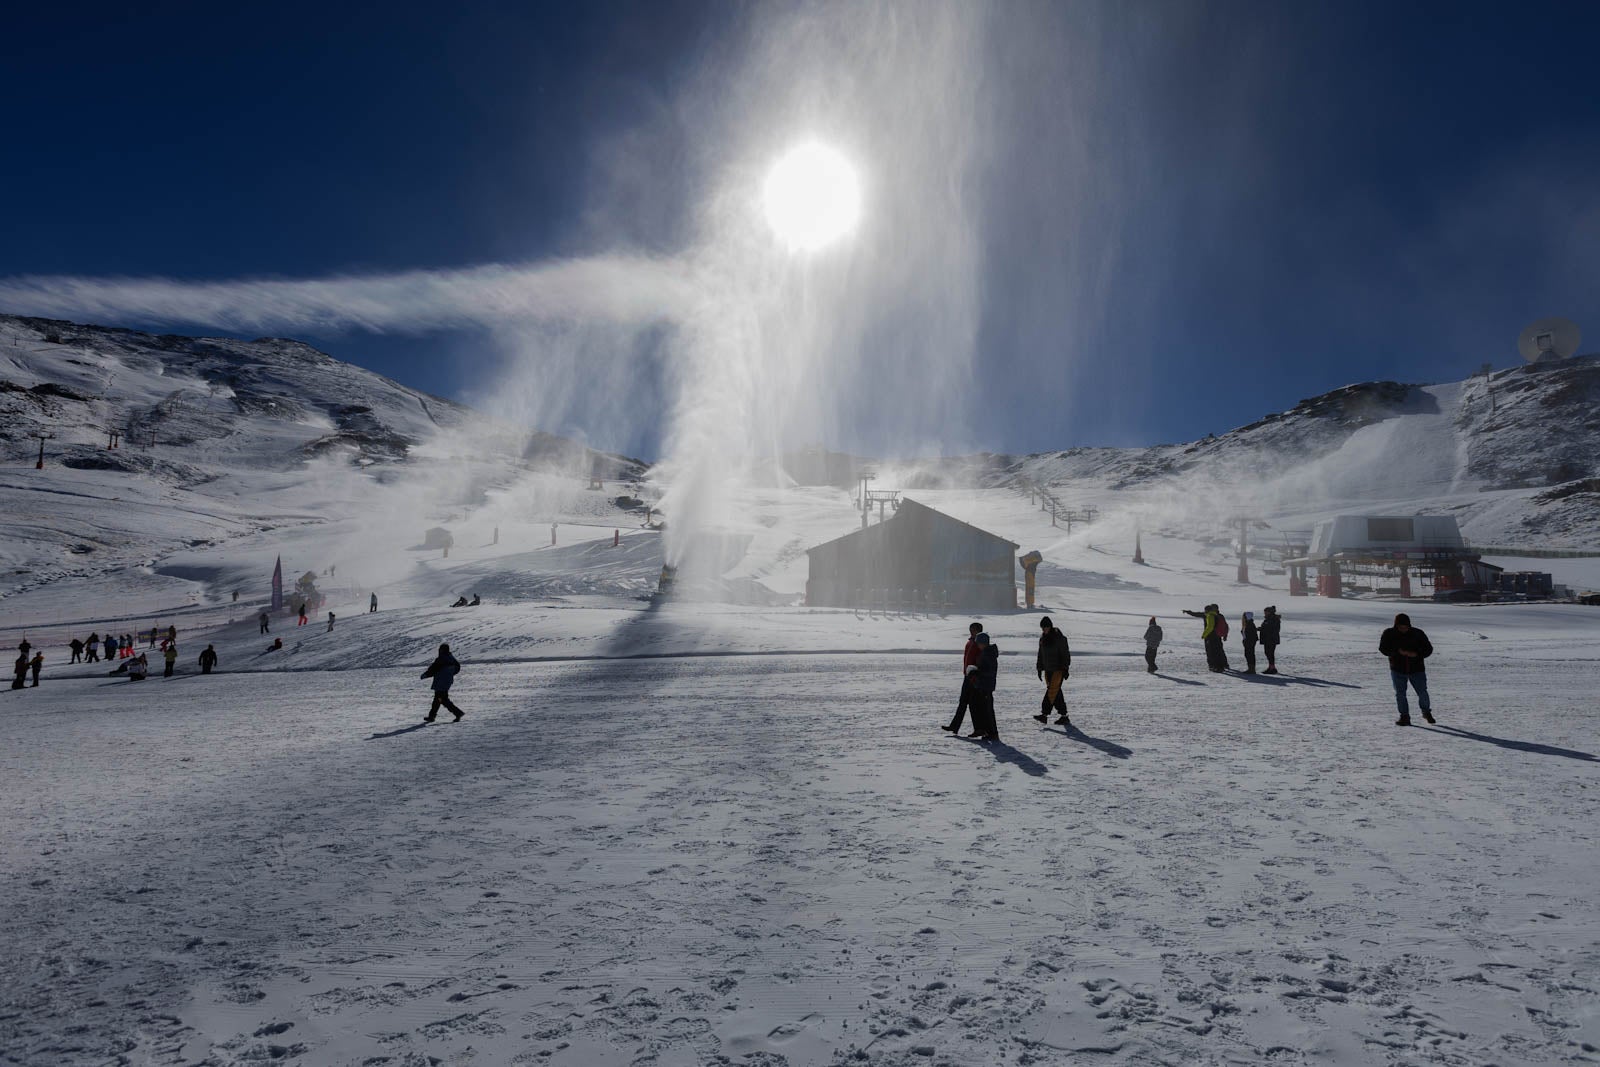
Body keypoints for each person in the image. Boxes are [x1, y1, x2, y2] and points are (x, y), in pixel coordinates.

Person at [1379, 612, 1435, 726]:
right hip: (1397, 669)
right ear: (1396, 626)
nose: (1403, 629)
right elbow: (1383, 649)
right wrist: (1397, 651)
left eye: (1406, 627)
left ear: (1409, 625)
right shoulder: (1388, 633)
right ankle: (1404, 716)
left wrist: (1416, 654)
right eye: (1401, 627)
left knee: (1422, 692)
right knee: (1400, 694)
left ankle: (1426, 712)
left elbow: (1428, 649)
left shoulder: (1418, 633)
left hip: (1417, 669)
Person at [942, 622, 984, 734]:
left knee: (973, 703)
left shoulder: (979, 643)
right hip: (967, 676)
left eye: (973, 629)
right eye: (970, 629)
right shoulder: (970, 641)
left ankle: (978, 729)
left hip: (973, 677)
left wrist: (975, 674)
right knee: (963, 702)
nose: (971, 631)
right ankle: (955, 727)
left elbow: (980, 660)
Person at [1033, 616, 1071, 726]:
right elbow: (1040, 654)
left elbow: (1065, 654)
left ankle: (1044, 714)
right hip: (1048, 670)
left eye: (1046, 627)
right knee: (1056, 692)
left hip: (1058, 670)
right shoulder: (1042, 639)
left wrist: (1065, 668)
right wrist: (1039, 668)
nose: (1044, 630)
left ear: (1050, 626)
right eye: (1042, 628)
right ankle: (1064, 716)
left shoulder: (1059, 638)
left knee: (1052, 691)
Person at [420, 643, 465, 722]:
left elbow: (433, 669)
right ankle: (432, 716)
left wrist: (425, 675)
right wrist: (449, 674)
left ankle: (458, 713)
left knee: (442, 699)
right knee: (438, 699)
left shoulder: (441, 659)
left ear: (442, 650)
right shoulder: (451, 658)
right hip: (447, 682)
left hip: (441, 682)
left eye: (440, 649)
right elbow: (457, 668)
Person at [968, 632, 1001, 741]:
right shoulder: (986, 652)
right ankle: (986, 731)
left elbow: (990, 671)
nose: (977, 646)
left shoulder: (988, 654)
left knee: (988, 710)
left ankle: (993, 733)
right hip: (983, 685)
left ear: (983, 643)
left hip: (987, 685)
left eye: (978, 643)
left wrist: (977, 672)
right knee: (983, 708)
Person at [1182, 604, 1230, 672]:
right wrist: (1188, 612)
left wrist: (1204, 635)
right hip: (1217, 636)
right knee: (1219, 650)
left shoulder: (1209, 615)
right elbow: (1225, 626)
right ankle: (1223, 664)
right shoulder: (1219, 616)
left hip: (1210, 636)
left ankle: (1214, 666)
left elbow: (1211, 627)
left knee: (1212, 651)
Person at [1259, 606, 1281, 674]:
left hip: (1271, 639)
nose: (1264, 613)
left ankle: (1272, 668)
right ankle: (1271, 667)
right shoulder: (1268, 619)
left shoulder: (1274, 619)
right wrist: (1261, 629)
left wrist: (1263, 629)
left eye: (1266, 612)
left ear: (1269, 612)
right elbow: (1266, 627)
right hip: (1268, 639)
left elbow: (1274, 629)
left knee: (1270, 653)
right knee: (1267, 653)